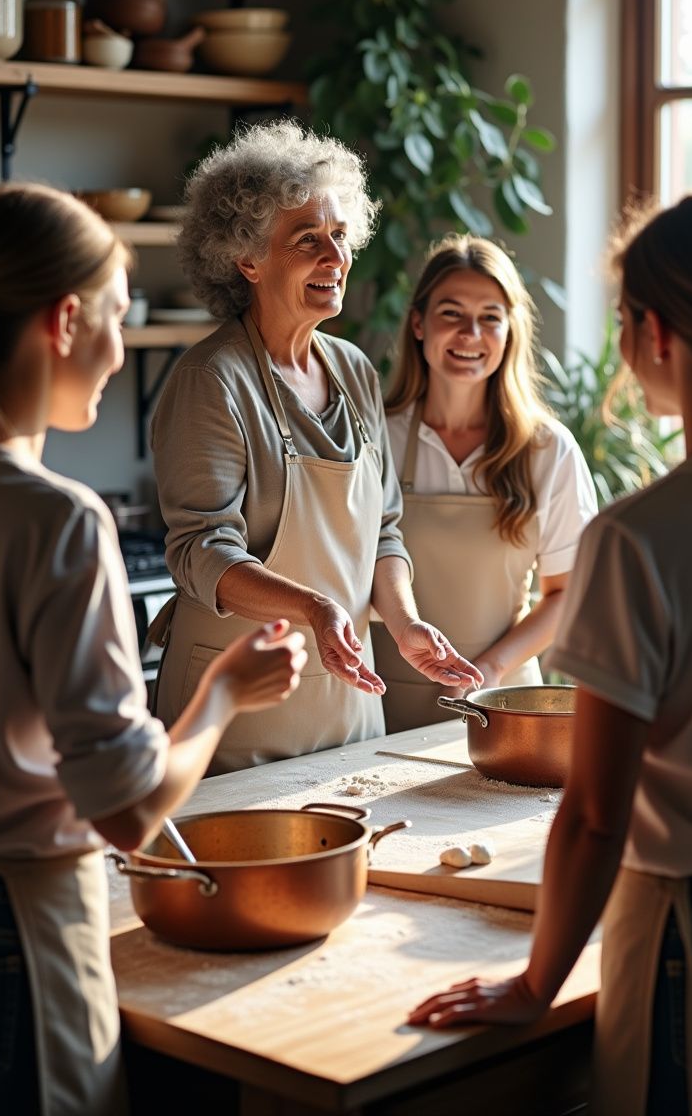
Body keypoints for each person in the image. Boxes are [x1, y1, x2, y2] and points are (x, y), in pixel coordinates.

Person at [0, 184, 307, 1116]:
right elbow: (127, 809)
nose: (117, 350)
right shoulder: (56, 520)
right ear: (65, 321)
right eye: (115, 317)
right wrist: (222, 692)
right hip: (18, 940)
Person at [408, 193, 692, 1116]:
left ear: (652, 333)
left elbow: (597, 814)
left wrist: (533, 987)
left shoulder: (641, 538)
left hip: (690, 926)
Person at [150, 120, 482, 770]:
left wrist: (406, 624)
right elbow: (201, 551)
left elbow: (383, 532)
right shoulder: (212, 380)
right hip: (236, 705)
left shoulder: (354, 369)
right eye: (308, 241)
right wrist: (317, 610)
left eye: (339, 235)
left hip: (349, 699)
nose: (336, 259)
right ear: (246, 259)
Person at [377, 234, 596, 731]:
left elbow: (569, 594)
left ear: (510, 330)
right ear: (418, 323)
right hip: (384, 700)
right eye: (451, 313)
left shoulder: (547, 450)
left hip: (503, 706)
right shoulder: (376, 438)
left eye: (490, 317)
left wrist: (490, 671)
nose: (470, 334)